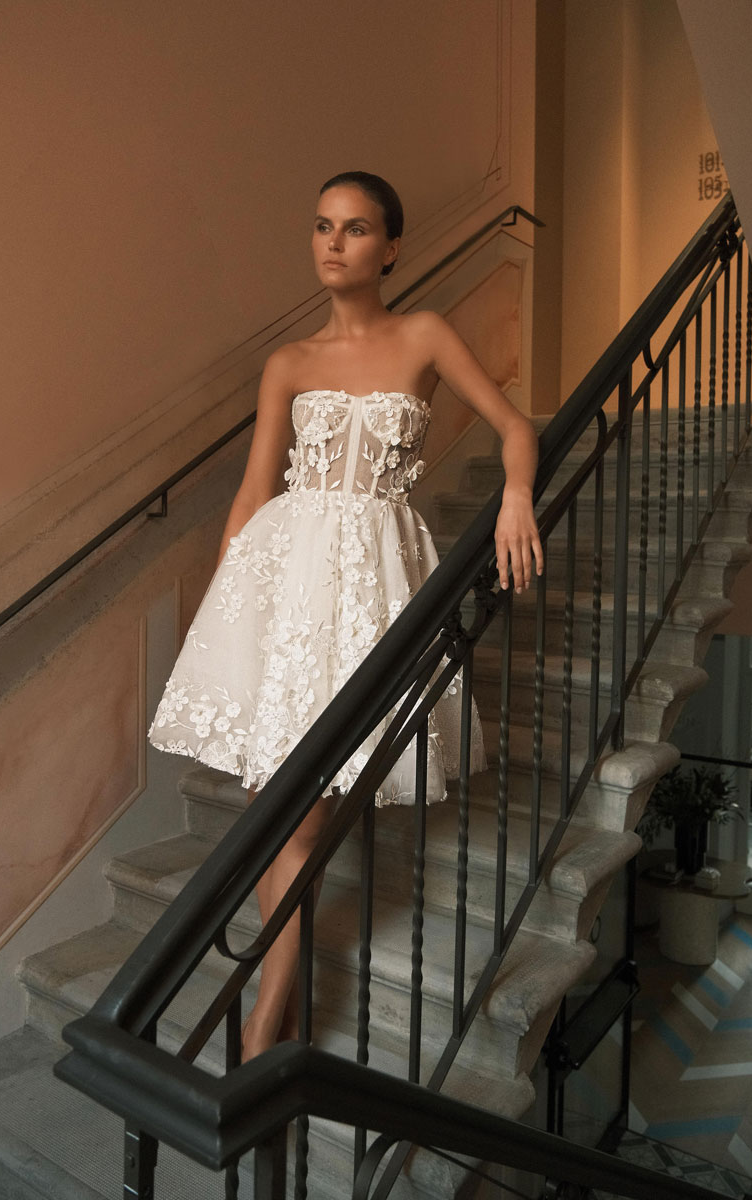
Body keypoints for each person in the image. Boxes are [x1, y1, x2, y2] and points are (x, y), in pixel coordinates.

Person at [148, 171, 542, 1059]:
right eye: (322, 226)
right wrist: (223, 610)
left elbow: (517, 426)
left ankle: (264, 1013)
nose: (333, 243)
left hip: (375, 583)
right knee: (271, 800)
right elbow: (255, 489)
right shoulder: (287, 362)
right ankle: (273, 1012)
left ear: (390, 247)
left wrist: (516, 494)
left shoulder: (425, 335)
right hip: (284, 581)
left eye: (355, 228)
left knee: (310, 804)